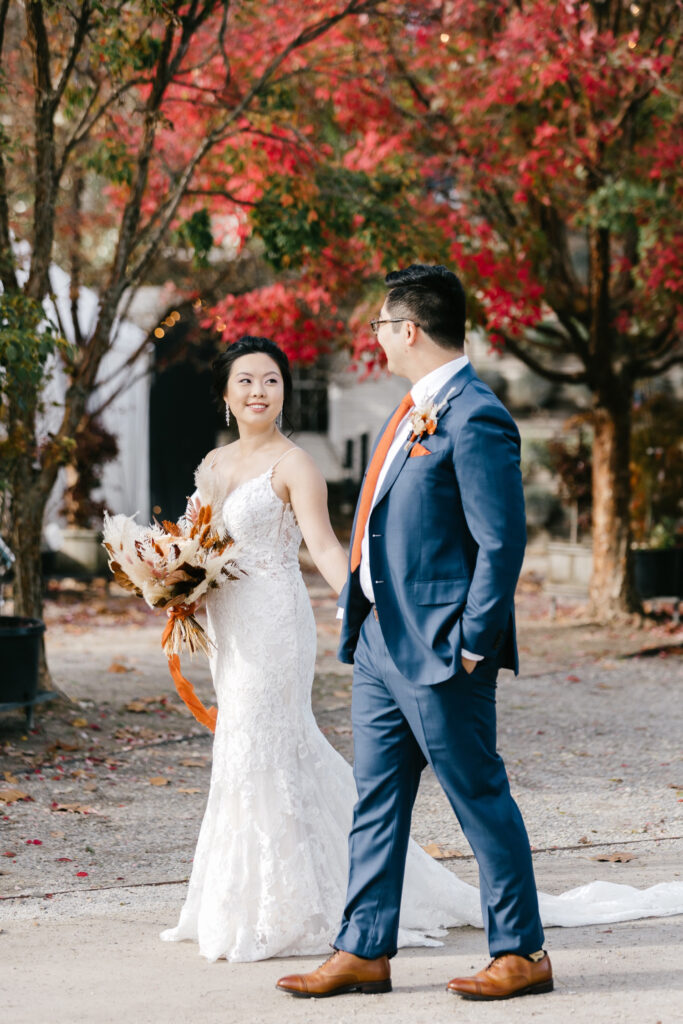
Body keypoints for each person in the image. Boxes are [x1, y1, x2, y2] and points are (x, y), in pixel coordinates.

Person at [162, 331, 683, 971]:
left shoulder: (312, 459)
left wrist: (384, 611)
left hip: (282, 624)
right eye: (245, 380)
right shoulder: (226, 461)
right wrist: (170, 582)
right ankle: (354, 946)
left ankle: (517, 950)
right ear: (224, 393)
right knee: (356, 786)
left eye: (271, 379)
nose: (259, 390)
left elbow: (339, 547)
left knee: (461, 784)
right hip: (230, 628)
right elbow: (197, 546)